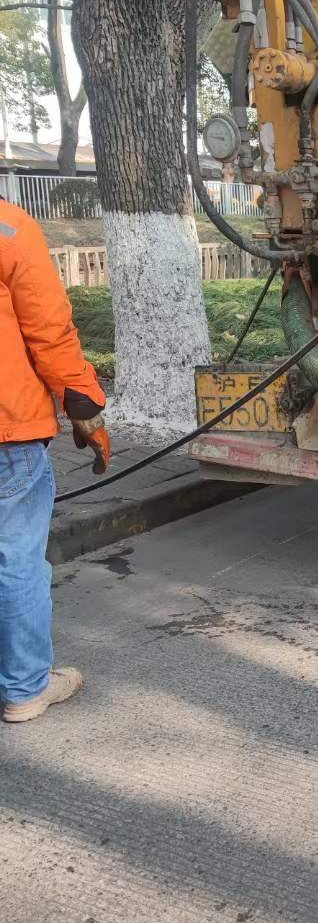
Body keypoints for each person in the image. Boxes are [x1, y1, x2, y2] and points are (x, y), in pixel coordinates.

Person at [1, 197, 111, 723]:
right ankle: (24, 688)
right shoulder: (8, 229)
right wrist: (84, 407)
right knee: (15, 560)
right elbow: (49, 332)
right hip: (7, 429)